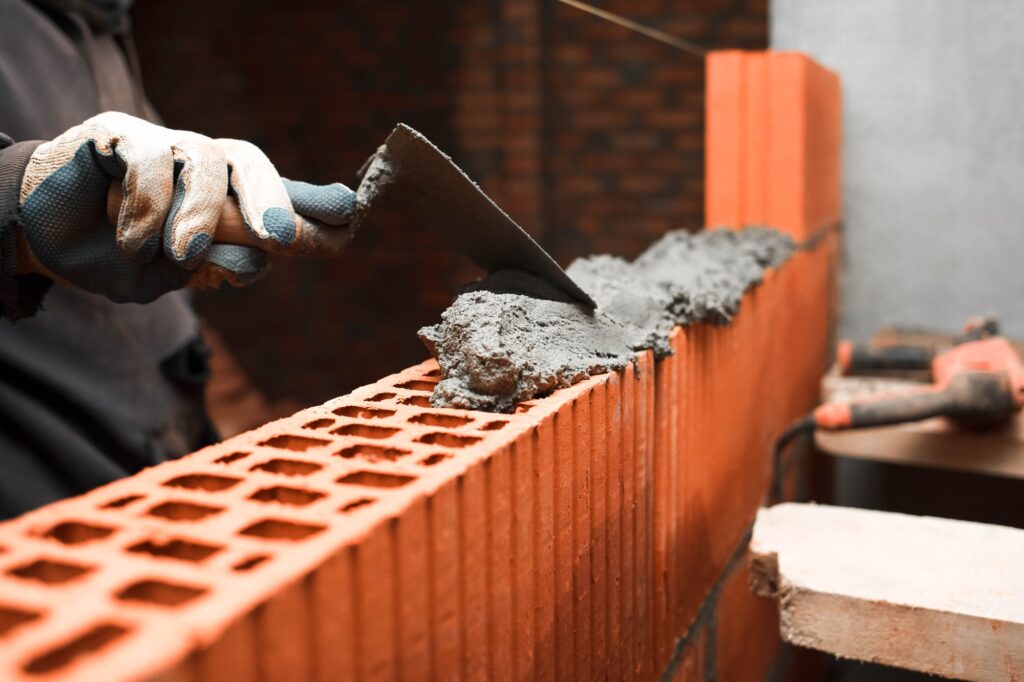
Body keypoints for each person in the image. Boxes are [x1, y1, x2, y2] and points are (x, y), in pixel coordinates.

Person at [0, 0, 357, 517]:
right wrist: (16, 198)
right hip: (44, 482)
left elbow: (158, 209)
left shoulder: (103, 25)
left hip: (160, 449)